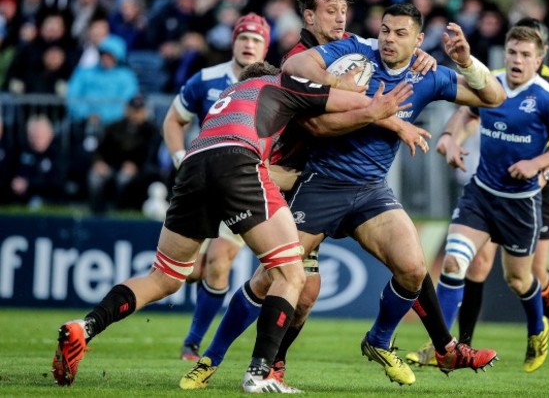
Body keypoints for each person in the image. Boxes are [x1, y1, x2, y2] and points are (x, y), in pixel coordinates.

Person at [182, 2, 505, 390]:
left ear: (419, 40)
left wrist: (467, 61)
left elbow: (494, 98)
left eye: (401, 34)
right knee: (274, 277)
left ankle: (379, 339)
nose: (389, 39)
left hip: (371, 191)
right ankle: (210, 358)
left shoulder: (430, 75)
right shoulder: (354, 54)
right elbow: (296, 74)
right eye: (385, 30)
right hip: (319, 182)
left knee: (414, 268)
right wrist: (366, 102)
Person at [51, 61, 415, 393]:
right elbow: (338, 101)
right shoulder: (281, 84)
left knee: (164, 277)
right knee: (290, 274)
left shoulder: (228, 94)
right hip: (237, 159)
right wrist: (375, 108)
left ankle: (86, 326)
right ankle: (259, 374)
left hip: (194, 164)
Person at [406, 17, 549, 366]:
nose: (517, 60)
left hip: (521, 203)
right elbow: (466, 113)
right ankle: (444, 348)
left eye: (525, 54)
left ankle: (537, 329)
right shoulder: (492, 84)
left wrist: (538, 166)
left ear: (539, 60)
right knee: (456, 261)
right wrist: (450, 141)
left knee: (520, 279)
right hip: (482, 193)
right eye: (512, 52)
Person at [162, 12, 271, 362]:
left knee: (220, 261)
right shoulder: (205, 79)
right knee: (191, 269)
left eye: (256, 39)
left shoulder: (273, 83)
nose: (249, 44)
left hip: (241, 186)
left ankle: (192, 343)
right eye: (244, 37)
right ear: (234, 41)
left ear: (266, 46)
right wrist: (181, 157)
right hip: (200, 183)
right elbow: (173, 120)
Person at [87, 94, 161, 214]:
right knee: (95, 176)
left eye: (139, 110)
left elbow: (150, 155)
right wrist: (98, 162)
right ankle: (96, 211)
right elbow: (100, 150)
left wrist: (136, 166)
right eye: (133, 109)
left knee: (124, 177)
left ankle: (118, 210)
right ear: (127, 109)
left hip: (138, 170)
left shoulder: (152, 131)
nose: (136, 113)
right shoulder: (114, 127)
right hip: (111, 166)